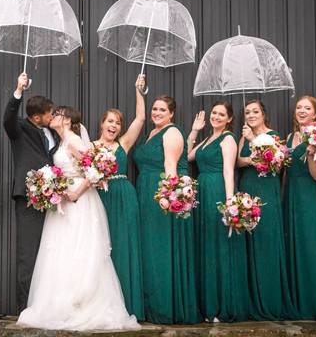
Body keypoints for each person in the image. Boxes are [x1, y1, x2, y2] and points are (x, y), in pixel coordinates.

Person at [17, 107, 140, 331]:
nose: (51, 117)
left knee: (79, 250)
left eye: (56, 115)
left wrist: (75, 193)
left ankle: (81, 303)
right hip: (63, 203)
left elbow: (96, 170)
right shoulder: (63, 141)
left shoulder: (74, 141)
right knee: (62, 250)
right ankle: (60, 304)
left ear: (66, 120)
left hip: (79, 203)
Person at [132, 93, 198, 324]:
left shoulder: (172, 132)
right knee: (149, 248)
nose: (157, 113)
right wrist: (139, 91)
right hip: (144, 192)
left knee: (160, 247)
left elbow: (171, 166)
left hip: (160, 195)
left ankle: (165, 306)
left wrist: (170, 198)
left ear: (171, 113)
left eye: (162, 110)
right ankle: (151, 304)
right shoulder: (152, 133)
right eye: (155, 109)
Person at [187, 101, 249, 322]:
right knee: (206, 244)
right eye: (214, 113)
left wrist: (230, 202)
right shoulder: (207, 139)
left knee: (218, 245)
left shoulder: (228, 138)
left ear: (229, 118)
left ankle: (223, 305)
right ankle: (208, 304)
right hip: (202, 190)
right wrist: (195, 130)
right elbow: (187, 156)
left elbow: (228, 171)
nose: (216, 117)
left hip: (216, 191)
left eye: (221, 114)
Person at [1, 71, 56, 311]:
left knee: (49, 253)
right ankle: (25, 306)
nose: (52, 116)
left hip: (52, 199)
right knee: (28, 252)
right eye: (49, 113)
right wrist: (18, 91)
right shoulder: (20, 128)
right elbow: (8, 119)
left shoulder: (52, 132)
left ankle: (46, 303)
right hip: (29, 198)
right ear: (36, 117)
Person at [93, 75, 147, 320]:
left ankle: (127, 303)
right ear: (102, 123)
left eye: (117, 123)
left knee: (123, 247)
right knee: (102, 249)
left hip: (124, 198)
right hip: (99, 201)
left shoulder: (123, 144)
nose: (113, 126)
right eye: (110, 121)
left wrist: (138, 90)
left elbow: (141, 119)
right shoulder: (90, 147)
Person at [237, 99, 292, 320]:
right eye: (247, 112)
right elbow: (238, 162)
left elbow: (276, 166)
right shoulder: (243, 134)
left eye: (255, 111)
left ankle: (269, 299)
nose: (251, 115)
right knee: (248, 241)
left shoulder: (274, 135)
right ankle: (249, 299)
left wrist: (255, 141)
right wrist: (249, 152)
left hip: (267, 190)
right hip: (248, 187)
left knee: (266, 241)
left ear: (263, 114)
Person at [283, 95, 316, 320]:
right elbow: (285, 171)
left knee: (311, 247)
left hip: (310, 196)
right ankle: (296, 302)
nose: (301, 111)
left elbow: (315, 176)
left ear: (315, 113)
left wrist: (313, 152)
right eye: (299, 107)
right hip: (291, 195)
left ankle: (313, 305)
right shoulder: (289, 137)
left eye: (307, 108)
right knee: (293, 246)